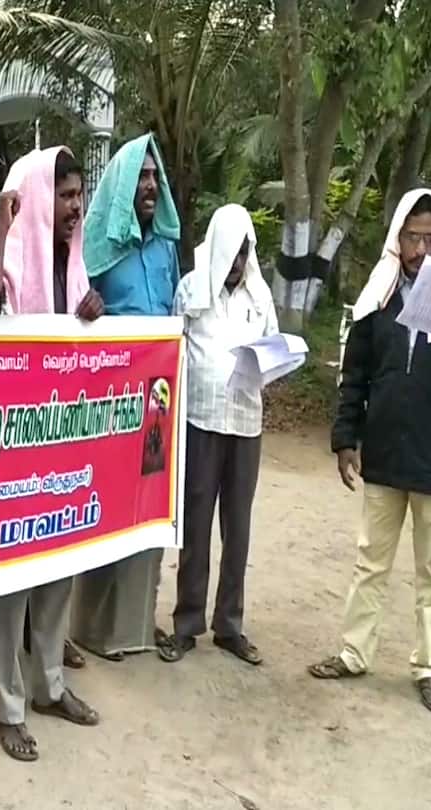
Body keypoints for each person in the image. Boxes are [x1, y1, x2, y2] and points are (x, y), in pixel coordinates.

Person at [308, 189, 431, 714]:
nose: (420, 248)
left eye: (430, 237)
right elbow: (357, 374)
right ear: (398, 239)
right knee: (369, 560)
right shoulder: (380, 296)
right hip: (386, 454)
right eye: (412, 237)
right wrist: (346, 438)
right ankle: (354, 652)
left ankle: (427, 666)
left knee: (430, 575)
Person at [0, 146, 103, 762]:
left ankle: (51, 685)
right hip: (12, 447)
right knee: (15, 578)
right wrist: (0, 229)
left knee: (58, 569)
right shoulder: (10, 257)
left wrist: (93, 317)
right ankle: (9, 707)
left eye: (79, 195)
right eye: (65, 195)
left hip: (64, 441)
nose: (75, 207)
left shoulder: (74, 267)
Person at [72, 133, 181, 661]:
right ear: (120, 185)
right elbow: (73, 312)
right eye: (141, 177)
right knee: (108, 505)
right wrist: (89, 314)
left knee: (151, 504)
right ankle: (92, 626)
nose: (151, 187)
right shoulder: (94, 246)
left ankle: (138, 623)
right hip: (111, 401)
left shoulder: (164, 246)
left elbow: (171, 309)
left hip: (159, 397)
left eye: (155, 177)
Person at [157, 204, 277, 666]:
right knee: (195, 522)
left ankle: (230, 625)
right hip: (200, 420)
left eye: (245, 255)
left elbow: (272, 347)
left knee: (238, 527)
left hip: (246, 423)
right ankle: (187, 623)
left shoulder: (260, 296)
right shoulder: (191, 288)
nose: (239, 265)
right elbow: (174, 347)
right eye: (233, 255)